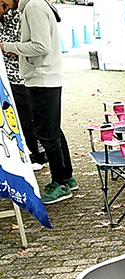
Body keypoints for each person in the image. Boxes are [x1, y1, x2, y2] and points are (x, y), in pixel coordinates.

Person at [0, 0, 76, 205]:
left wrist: (8, 47)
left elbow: (41, 46)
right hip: (43, 78)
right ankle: (67, 176)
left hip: (42, 79)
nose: (3, 4)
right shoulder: (33, 6)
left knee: (47, 134)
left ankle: (60, 182)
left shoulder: (33, 7)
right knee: (52, 130)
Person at [0, 6, 46, 171]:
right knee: (12, 120)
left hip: (20, 77)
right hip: (5, 78)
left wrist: (8, 47)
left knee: (28, 120)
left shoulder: (19, 14)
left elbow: (21, 45)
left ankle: (39, 154)